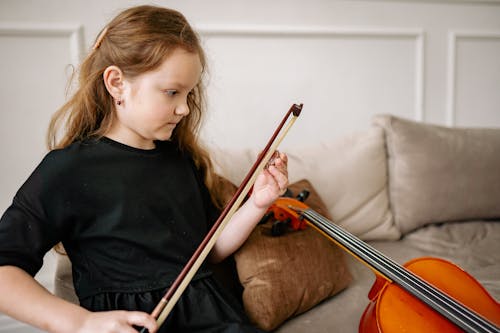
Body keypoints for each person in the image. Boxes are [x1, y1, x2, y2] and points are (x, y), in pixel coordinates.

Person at [0, 5, 288, 333]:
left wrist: (257, 204)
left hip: (216, 318)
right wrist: (81, 323)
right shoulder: (67, 170)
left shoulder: (181, 161)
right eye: (172, 92)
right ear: (116, 83)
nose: (183, 108)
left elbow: (209, 251)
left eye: (189, 94)